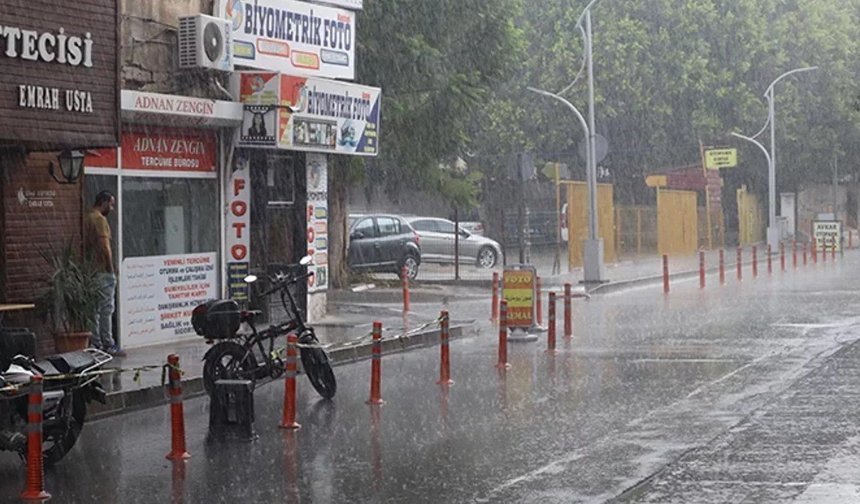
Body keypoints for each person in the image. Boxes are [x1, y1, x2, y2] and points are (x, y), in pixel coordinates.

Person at [84, 190, 125, 357]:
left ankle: (95, 343)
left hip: (89, 271)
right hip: (101, 271)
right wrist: (110, 268)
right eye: (111, 204)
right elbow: (104, 245)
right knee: (107, 309)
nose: (112, 208)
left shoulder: (86, 217)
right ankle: (108, 344)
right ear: (104, 202)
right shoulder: (100, 220)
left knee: (93, 310)